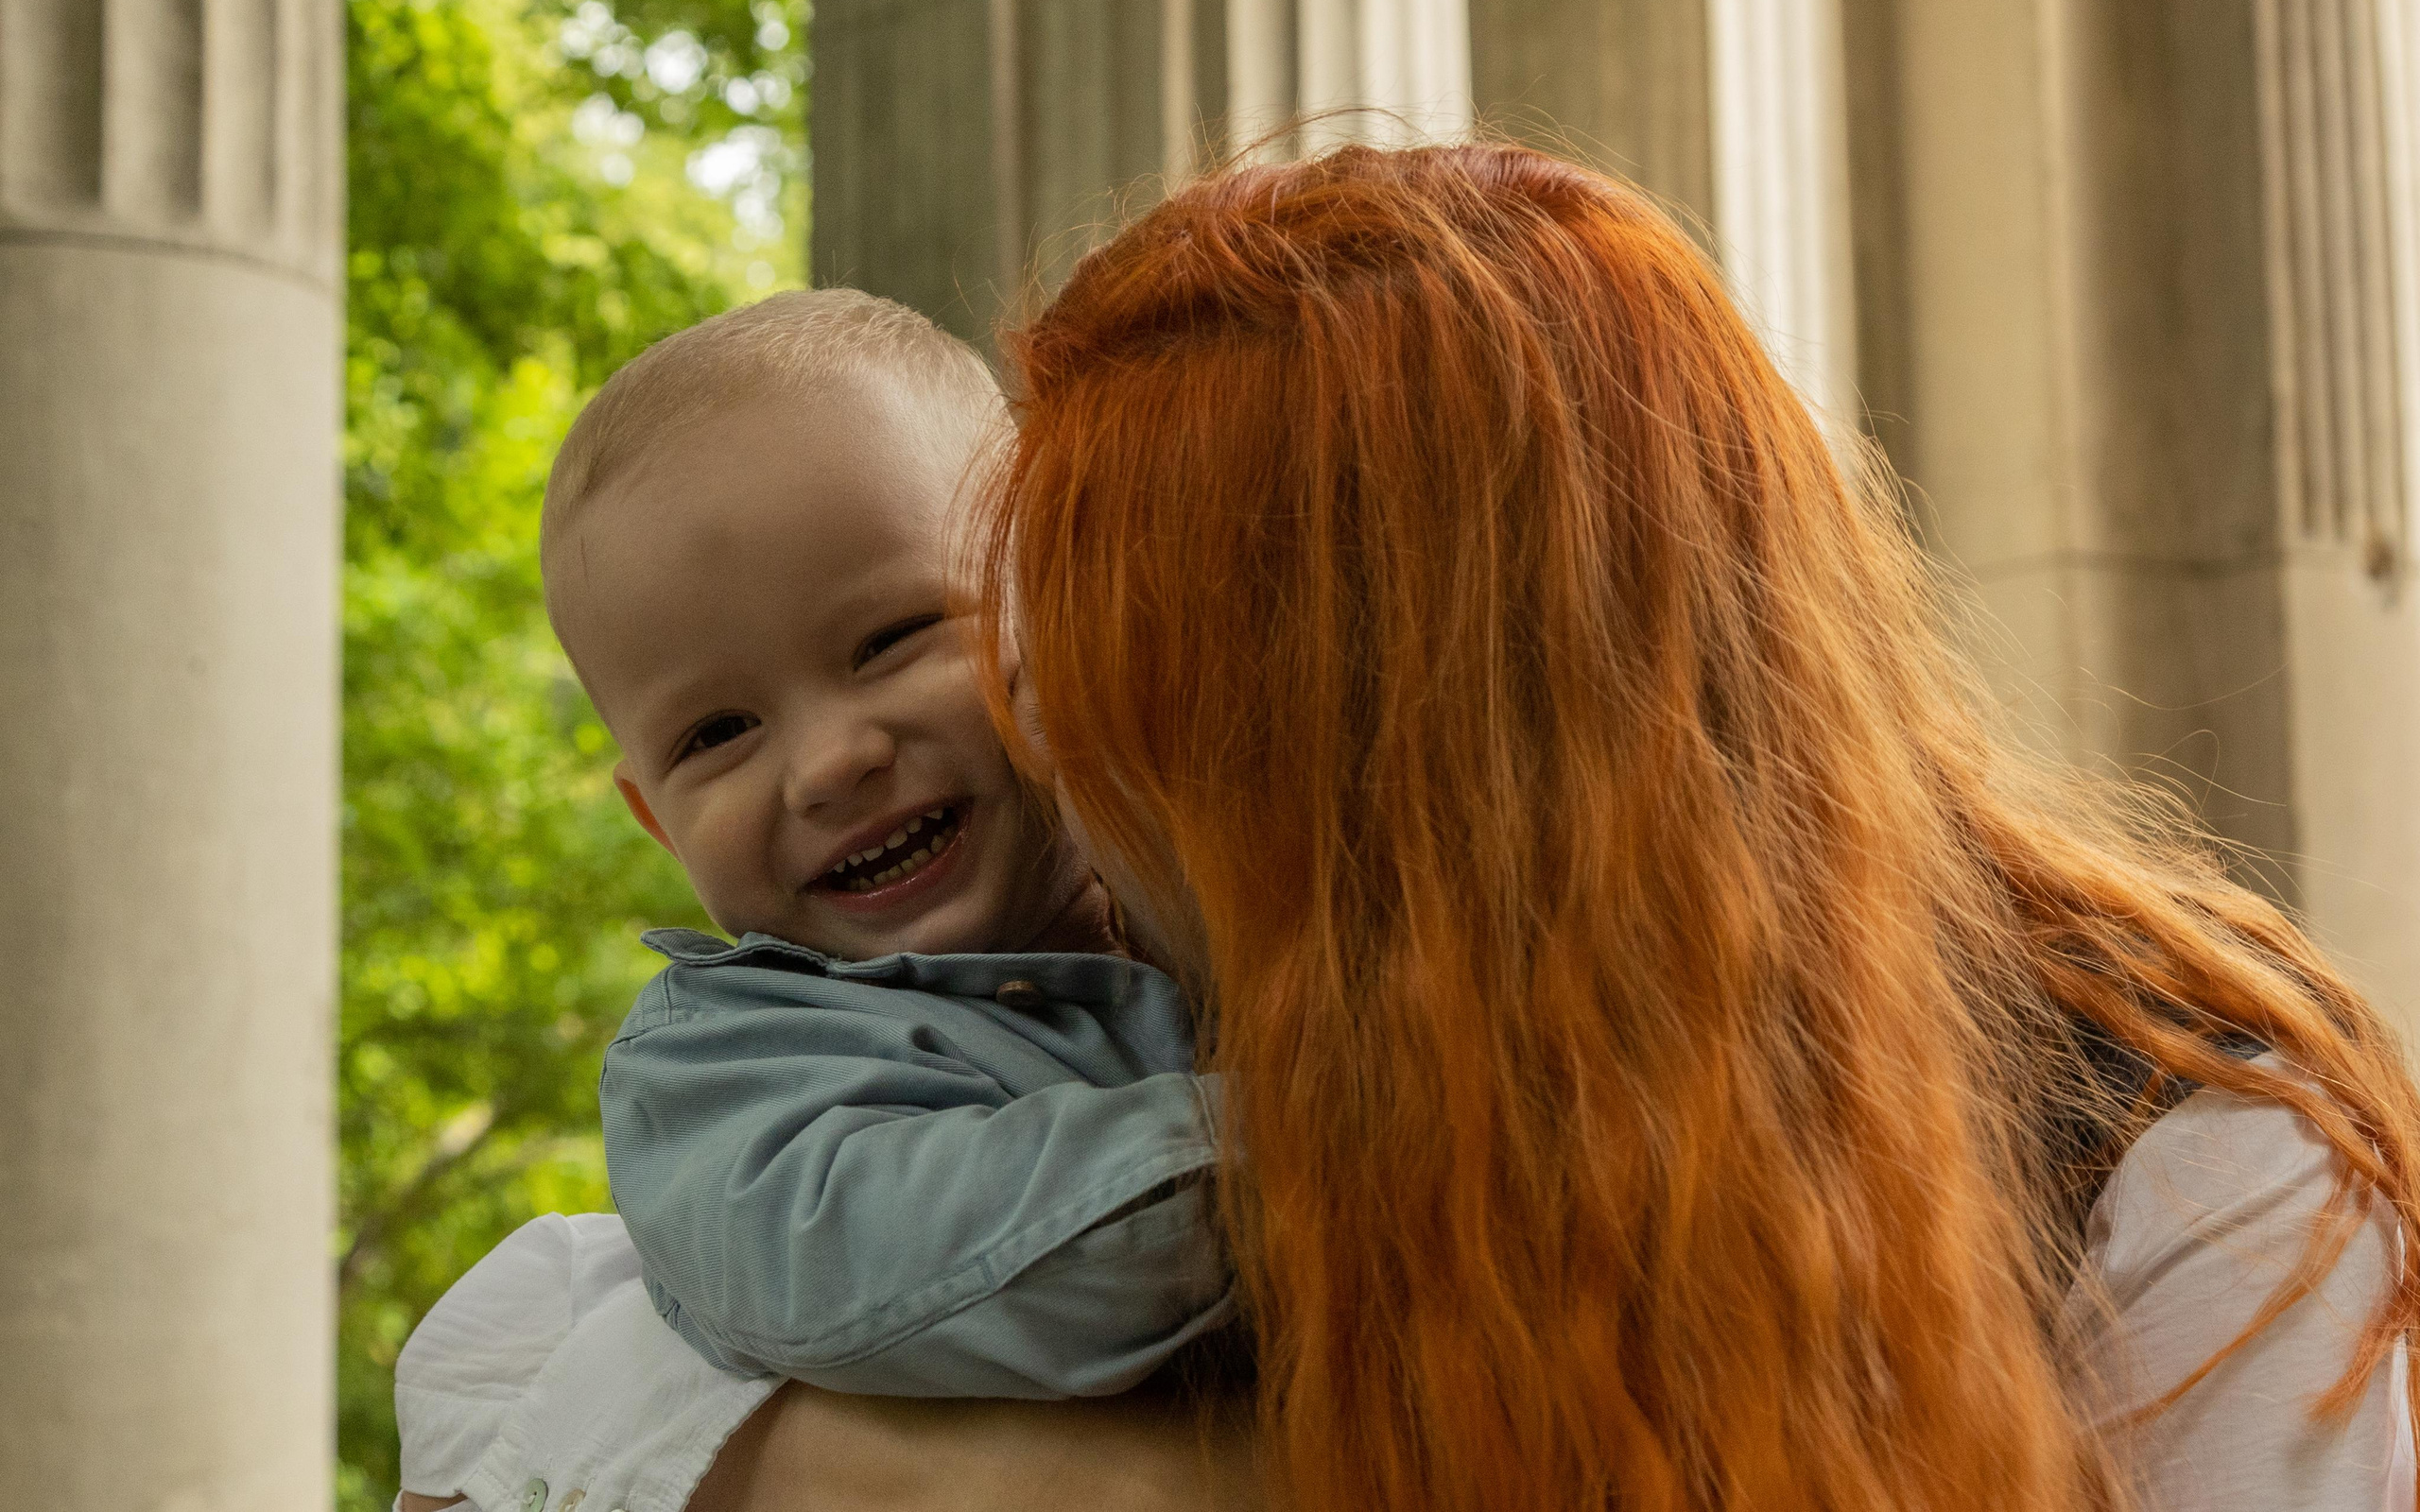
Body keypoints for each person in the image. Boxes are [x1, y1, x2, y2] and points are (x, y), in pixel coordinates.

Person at [961, 140, 2420, 1510]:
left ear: (1358, 783)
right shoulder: (1126, 1061)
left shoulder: (2188, 1151)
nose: (1042, 791)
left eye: (1087, 716)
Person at [394, 289, 1233, 1511]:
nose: (832, 761)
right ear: (653, 818)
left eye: (890, 637)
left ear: (1041, 617)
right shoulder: (728, 1068)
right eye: (720, 732)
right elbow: (873, 1259)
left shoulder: (1205, 909)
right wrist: (1312, 1165)